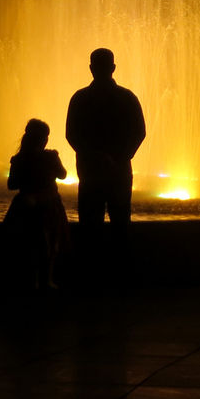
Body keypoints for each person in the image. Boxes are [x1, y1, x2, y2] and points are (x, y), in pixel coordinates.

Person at [66, 48, 146, 254]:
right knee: (120, 224)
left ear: (91, 68)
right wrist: (119, 157)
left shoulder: (80, 98)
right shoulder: (127, 97)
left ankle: (90, 275)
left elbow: (71, 134)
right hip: (119, 172)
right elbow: (139, 132)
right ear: (113, 68)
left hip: (89, 171)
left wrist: (92, 156)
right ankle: (120, 273)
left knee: (90, 226)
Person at [4, 118, 70, 290]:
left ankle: (31, 280)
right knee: (50, 242)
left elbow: (11, 184)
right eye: (45, 136)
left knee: (29, 243)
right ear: (42, 139)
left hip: (25, 204)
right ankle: (46, 279)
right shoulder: (50, 157)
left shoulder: (18, 159)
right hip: (49, 204)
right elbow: (63, 175)